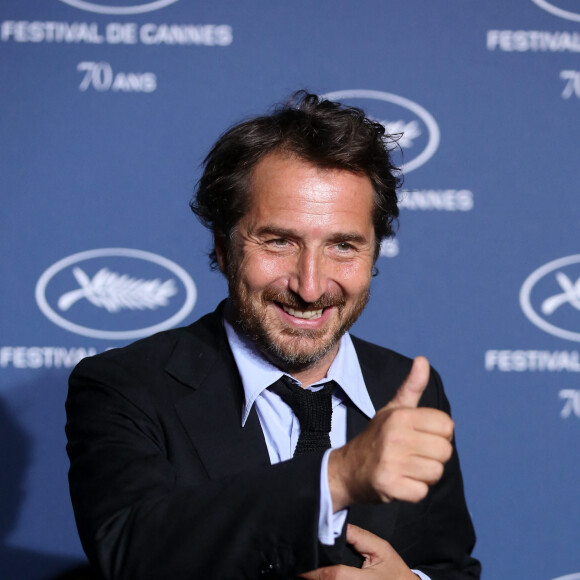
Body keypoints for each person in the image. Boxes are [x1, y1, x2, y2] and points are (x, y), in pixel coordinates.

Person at [66, 91, 480, 579]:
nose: (310, 286)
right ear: (223, 249)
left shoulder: (409, 389)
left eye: (343, 246)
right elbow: (130, 551)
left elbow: (449, 566)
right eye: (279, 242)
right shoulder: (126, 386)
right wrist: (338, 477)